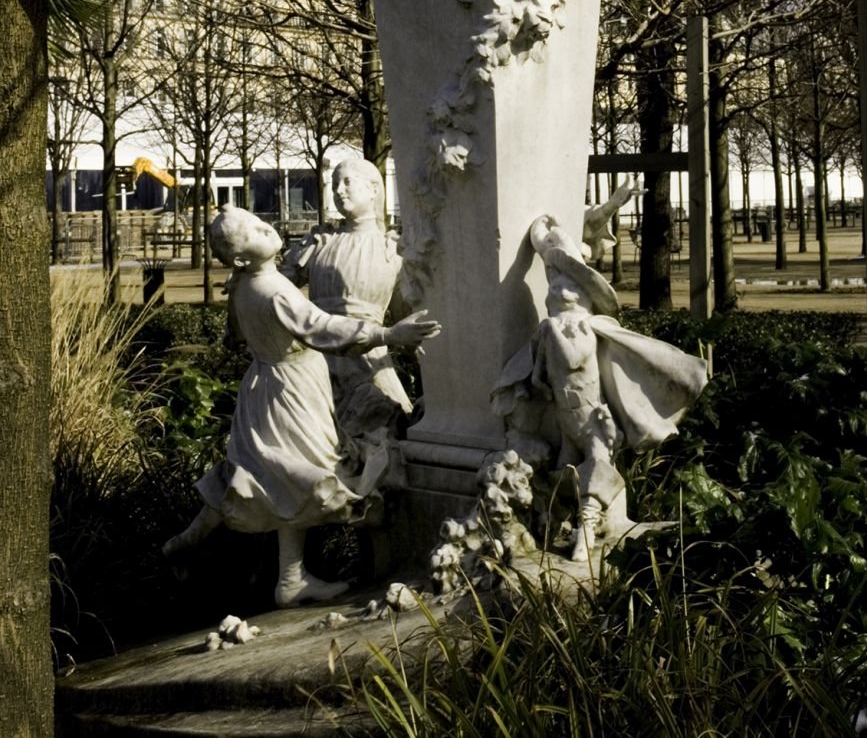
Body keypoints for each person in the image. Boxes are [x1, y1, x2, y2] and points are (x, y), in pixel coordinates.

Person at [163, 205, 439, 607]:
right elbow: (322, 328)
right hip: (292, 392)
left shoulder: (242, 282)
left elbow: (235, 334)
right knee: (303, 474)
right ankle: (285, 577)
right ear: (241, 258)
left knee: (272, 476)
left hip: (262, 389)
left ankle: (205, 546)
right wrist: (388, 333)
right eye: (255, 232)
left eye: (260, 221)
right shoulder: (273, 290)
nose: (267, 227)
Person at [492, 215, 707, 560]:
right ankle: (555, 524)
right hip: (565, 417)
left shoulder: (582, 329)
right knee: (564, 472)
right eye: (555, 286)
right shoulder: (549, 330)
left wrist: (554, 333)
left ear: (585, 297)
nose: (560, 292)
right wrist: (537, 383)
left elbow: (575, 359)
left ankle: (587, 530)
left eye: (571, 289)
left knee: (598, 465)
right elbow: (539, 373)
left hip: (593, 419)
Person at [281, 158, 412, 437]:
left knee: (377, 432)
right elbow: (281, 288)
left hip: (366, 360)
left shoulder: (393, 249)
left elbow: (405, 316)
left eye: (348, 181)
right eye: (334, 184)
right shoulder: (320, 241)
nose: (339, 190)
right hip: (314, 359)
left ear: (374, 189)